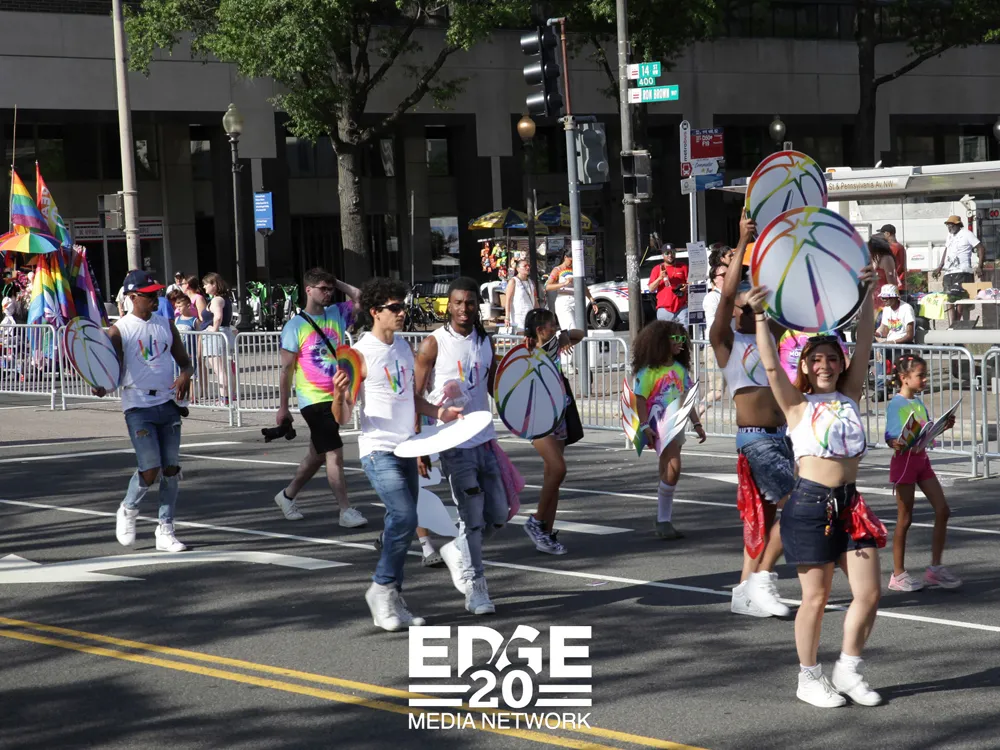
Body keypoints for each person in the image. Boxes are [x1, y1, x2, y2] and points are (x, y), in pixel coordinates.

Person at [748, 265, 885, 709]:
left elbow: (865, 340)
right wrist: (760, 317)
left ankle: (849, 669)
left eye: (832, 359)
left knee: (869, 593)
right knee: (816, 597)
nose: (825, 365)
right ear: (805, 366)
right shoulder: (797, 405)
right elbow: (771, 365)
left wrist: (867, 293)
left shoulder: (850, 395)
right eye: (817, 360)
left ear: (841, 365)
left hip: (851, 504)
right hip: (810, 504)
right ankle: (808, 678)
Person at [331, 278, 462, 631]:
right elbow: (343, 416)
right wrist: (339, 395)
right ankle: (380, 588)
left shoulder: (403, 347)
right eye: (395, 308)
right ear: (375, 312)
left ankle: (392, 598)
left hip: (407, 447)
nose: (402, 312)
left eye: (403, 306)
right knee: (404, 516)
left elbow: (411, 399)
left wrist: (440, 413)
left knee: (400, 525)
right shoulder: (359, 354)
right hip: (379, 450)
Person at [710, 214, 793, 619]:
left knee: (765, 516)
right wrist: (742, 241)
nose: (749, 309)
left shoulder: (769, 334)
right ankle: (762, 580)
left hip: (781, 437)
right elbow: (727, 296)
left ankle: (743, 591)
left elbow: (787, 291)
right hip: (756, 438)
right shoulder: (725, 341)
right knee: (800, 503)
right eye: (744, 306)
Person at [415, 277, 508, 615]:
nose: (464, 309)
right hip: (454, 445)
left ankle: (456, 549)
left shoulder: (485, 341)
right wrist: (419, 446)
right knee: (471, 518)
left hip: (485, 439)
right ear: (449, 306)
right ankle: (475, 588)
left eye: (469, 303)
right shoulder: (433, 343)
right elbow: (415, 396)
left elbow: (496, 386)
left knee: (499, 514)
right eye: (457, 303)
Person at [98, 270, 195, 553]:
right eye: (148, 294)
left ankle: (165, 529)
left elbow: (186, 362)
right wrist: (102, 386)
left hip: (168, 404)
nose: (155, 298)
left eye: (157, 293)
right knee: (150, 467)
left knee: (171, 468)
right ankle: (128, 509)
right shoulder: (119, 330)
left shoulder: (166, 325)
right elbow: (110, 371)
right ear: (132, 297)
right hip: (137, 405)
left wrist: (185, 375)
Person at [274, 268, 367, 529]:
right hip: (313, 399)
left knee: (318, 454)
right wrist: (283, 408)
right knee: (334, 452)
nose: (328, 293)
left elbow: (361, 298)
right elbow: (286, 370)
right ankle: (345, 510)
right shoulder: (295, 326)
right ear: (308, 290)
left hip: (337, 394)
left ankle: (287, 495)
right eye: (322, 289)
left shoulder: (336, 313)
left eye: (330, 289)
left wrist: (337, 282)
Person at [885, 354, 961, 592]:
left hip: (922, 461)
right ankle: (898, 575)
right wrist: (894, 442)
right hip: (905, 463)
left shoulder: (918, 402)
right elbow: (891, 435)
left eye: (925, 375)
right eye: (921, 375)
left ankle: (935, 569)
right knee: (905, 519)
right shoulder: (896, 404)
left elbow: (925, 432)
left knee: (943, 510)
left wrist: (942, 427)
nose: (925, 379)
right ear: (904, 378)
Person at [632, 320, 706, 540]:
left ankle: (663, 519)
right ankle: (663, 520)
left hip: (678, 423)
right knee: (674, 468)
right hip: (659, 424)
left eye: (683, 338)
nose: (681, 342)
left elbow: (687, 399)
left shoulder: (680, 370)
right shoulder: (649, 372)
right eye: (676, 338)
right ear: (661, 342)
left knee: (667, 469)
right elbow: (640, 399)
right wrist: (644, 426)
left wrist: (697, 423)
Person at [521, 308, 586, 555]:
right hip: (537, 419)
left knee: (553, 476)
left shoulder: (554, 345)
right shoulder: (527, 353)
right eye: (552, 325)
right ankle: (536, 520)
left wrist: (565, 334)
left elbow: (580, 334)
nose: (556, 328)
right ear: (540, 330)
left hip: (558, 416)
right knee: (558, 469)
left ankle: (545, 534)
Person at [932, 215, 986, 325]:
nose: (949, 227)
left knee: (961, 298)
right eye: (948, 225)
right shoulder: (950, 236)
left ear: (958, 224)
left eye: (951, 225)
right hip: (949, 272)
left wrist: (980, 266)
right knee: (949, 299)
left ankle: (960, 323)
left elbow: (980, 248)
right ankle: (953, 324)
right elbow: (946, 250)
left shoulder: (967, 234)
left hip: (963, 272)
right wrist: (940, 266)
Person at [873, 284, 915, 396]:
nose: (884, 300)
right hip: (889, 345)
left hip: (904, 344)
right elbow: (884, 329)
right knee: (874, 351)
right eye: (882, 298)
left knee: (886, 352)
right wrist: (876, 333)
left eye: (886, 298)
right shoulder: (886, 309)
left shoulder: (906, 308)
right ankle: (881, 388)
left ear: (895, 297)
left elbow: (909, 335)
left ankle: (897, 386)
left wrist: (893, 342)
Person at [202, 273, 236, 405]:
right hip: (224, 333)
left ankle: (224, 399)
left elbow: (218, 317)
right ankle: (228, 397)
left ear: (214, 285)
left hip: (217, 336)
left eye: (206, 284)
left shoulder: (217, 300)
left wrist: (214, 329)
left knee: (220, 369)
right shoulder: (224, 299)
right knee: (225, 369)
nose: (204, 287)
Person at [545, 248, 597, 332]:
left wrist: (592, 300)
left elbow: (583, 286)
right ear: (565, 257)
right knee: (571, 330)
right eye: (571, 260)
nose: (572, 263)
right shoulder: (557, 270)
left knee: (580, 330)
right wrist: (564, 283)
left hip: (577, 302)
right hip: (564, 302)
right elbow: (548, 286)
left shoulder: (576, 270)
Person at [648, 244, 688, 324]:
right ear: (662, 255)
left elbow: (690, 283)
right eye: (667, 253)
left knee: (682, 332)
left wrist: (686, 287)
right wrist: (660, 278)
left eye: (672, 252)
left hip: (681, 308)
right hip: (664, 309)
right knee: (665, 332)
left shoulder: (683, 267)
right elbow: (651, 289)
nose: (670, 255)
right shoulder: (657, 269)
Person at [504, 258, 537, 334]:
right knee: (522, 339)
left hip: (531, 316)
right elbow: (507, 300)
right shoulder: (513, 281)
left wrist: (538, 314)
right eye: (525, 266)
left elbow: (535, 300)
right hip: (519, 317)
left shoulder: (531, 282)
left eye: (528, 266)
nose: (528, 267)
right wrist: (507, 317)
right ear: (518, 269)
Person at [868, 235, 898, 316]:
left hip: (880, 296)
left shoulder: (881, 258)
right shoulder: (882, 258)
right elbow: (891, 280)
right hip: (880, 296)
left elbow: (891, 283)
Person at [878, 225, 907, 298]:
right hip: (899, 284)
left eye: (882, 234)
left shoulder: (892, 248)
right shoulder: (900, 247)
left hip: (893, 286)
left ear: (887, 234)